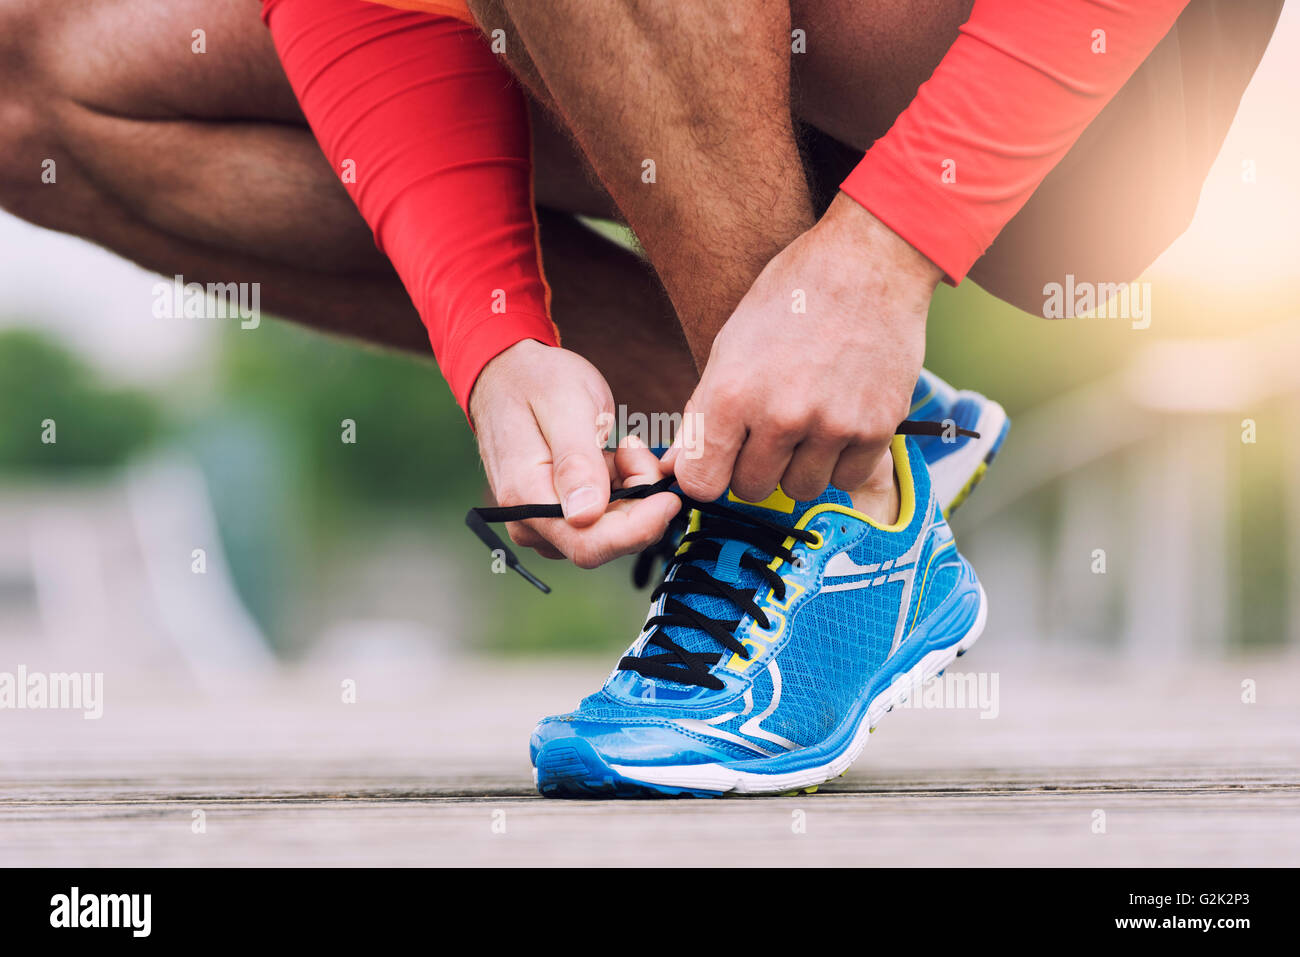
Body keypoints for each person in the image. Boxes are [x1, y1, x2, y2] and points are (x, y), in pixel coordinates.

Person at [0, 0, 1280, 795]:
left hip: (1084, 65)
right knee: (39, 80)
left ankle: (826, 508)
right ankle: (845, 438)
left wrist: (889, 246)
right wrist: (495, 336)